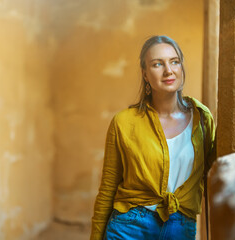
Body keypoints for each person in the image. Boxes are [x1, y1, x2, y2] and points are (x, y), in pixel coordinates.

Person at [90, 35, 216, 240]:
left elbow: (213, 175)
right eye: (157, 64)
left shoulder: (201, 118)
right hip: (129, 227)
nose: (168, 70)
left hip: (181, 227)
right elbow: (108, 187)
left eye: (174, 61)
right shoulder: (124, 122)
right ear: (145, 74)